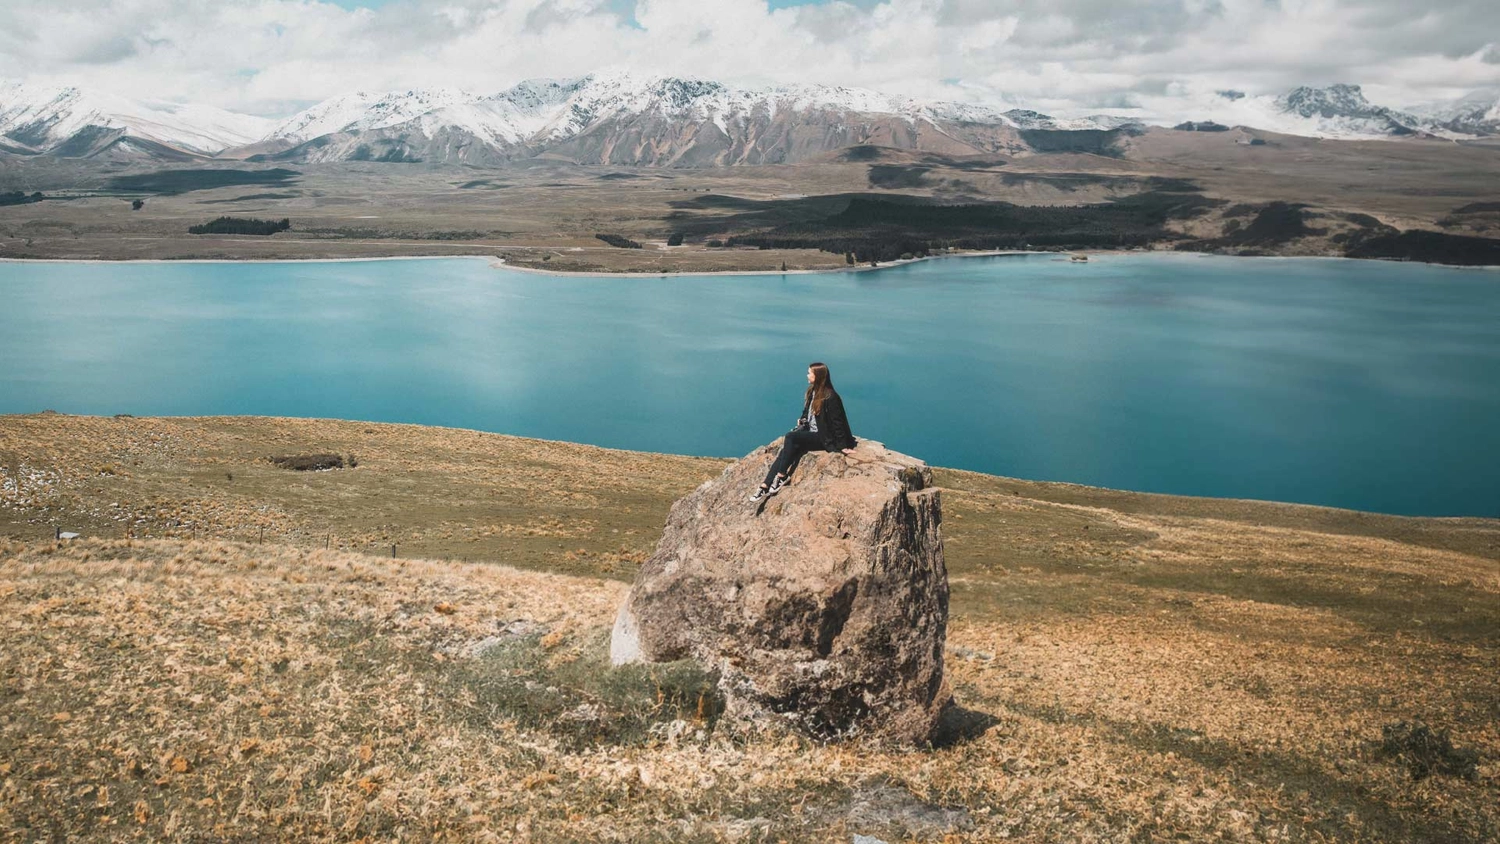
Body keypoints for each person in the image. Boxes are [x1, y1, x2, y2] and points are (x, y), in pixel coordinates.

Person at [750, 361, 857, 503]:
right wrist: (802, 420)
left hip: (824, 437)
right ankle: (765, 484)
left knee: (790, 437)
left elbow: (838, 422)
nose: (807, 375)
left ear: (818, 376)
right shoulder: (812, 392)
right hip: (812, 433)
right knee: (786, 451)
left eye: (809, 373)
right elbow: (806, 413)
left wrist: (843, 446)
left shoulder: (830, 397)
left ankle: (782, 476)